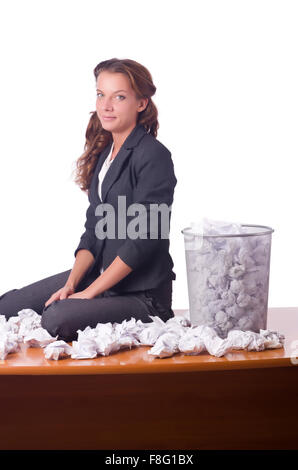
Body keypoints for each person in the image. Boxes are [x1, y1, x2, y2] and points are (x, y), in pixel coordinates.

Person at [0, 58, 177, 342]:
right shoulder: (106, 155)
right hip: (100, 276)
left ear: (141, 103)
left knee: (56, 317)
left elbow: (145, 238)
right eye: (100, 94)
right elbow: (94, 231)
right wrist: (72, 284)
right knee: (6, 308)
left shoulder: (153, 156)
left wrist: (89, 293)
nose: (105, 106)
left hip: (141, 294)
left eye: (119, 97)